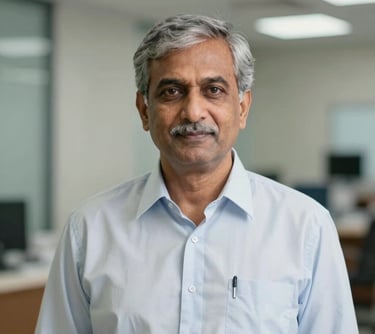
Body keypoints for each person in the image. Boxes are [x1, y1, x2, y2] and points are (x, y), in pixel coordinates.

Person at [35, 14, 358, 334]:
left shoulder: (305, 225)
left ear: (242, 107)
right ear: (145, 110)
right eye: (171, 92)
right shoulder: (90, 229)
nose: (193, 111)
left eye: (214, 90)